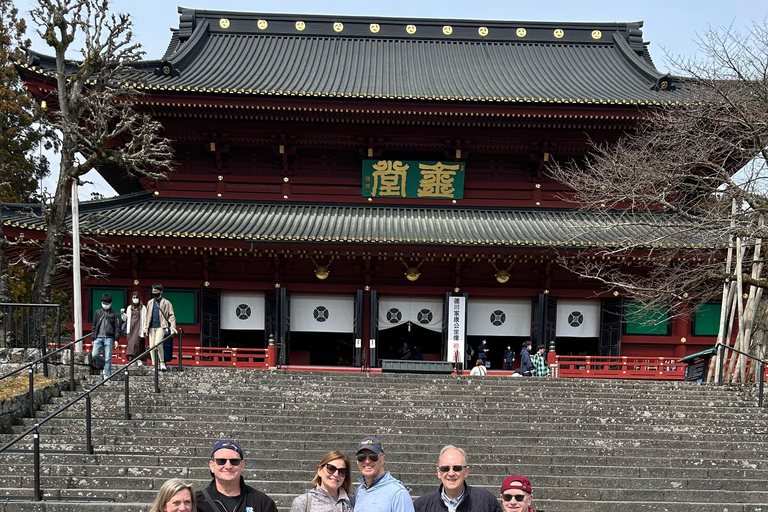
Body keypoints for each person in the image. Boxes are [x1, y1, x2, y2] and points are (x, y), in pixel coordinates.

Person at [414, 445, 502, 512]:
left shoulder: (487, 502)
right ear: (439, 472)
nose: (451, 473)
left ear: (466, 471)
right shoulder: (421, 506)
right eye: (445, 468)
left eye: (457, 468)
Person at [196, 439, 278, 512]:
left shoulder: (262, 502)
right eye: (221, 461)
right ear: (212, 466)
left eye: (234, 461)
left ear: (242, 465)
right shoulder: (196, 502)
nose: (228, 466)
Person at [355, 436, 414, 512]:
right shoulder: (360, 491)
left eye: (373, 456)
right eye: (361, 456)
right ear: (357, 461)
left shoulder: (398, 493)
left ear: (382, 459)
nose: (367, 461)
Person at [143, 283, 177, 371]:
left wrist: (173, 326)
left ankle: (162, 362)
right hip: (151, 327)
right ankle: (155, 364)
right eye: (153, 291)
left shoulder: (166, 302)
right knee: (151, 346)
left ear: (161, 291)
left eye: (156, 291)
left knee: (158, 343)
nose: (154, 292)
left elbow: (171, 315)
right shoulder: (150, 302)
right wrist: (146, 328)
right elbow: (147, 316)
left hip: (161, 326)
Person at [91, 293, 122, 378]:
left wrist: (116, 339)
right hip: (98, 337)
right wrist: (93, 338)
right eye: (104, 303)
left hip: (109, 338)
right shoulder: (98, 313)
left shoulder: (115, 314)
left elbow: (117, 327)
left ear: (111, 303)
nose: (105, 305)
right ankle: (106, 364)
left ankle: (107, 375)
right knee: (94, 354)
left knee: (108, 357)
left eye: (107, 304)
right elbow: (94, 326)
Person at [121, 291, 148, 366]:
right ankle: (132, 359)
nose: (135, 299)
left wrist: (145, 328)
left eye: (136, 298)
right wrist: (123, 314)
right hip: (131, 328)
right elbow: (125, 319)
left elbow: (145, 319)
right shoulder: (129, 307)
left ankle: (138, 359)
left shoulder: (143, 308)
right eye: (133, 298)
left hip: (139, 327)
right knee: (131, 344)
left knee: (138, 344)